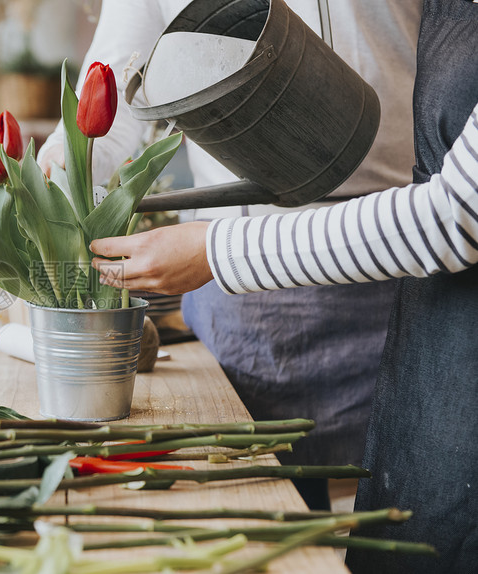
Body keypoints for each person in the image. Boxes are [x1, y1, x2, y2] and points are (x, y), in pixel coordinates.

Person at [90, 1, 478, 571]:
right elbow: (113, 96)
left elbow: (456, 217)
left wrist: (211, 250)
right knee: (281, 520)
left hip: (407, 259)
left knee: (404, 510)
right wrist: (58, 176)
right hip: (256, 288)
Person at [37, 0, 422, 510]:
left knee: (408, 503)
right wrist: (61, 171)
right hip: (240, 280)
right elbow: (117, 75)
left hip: (403, 246)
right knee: (269, 508)